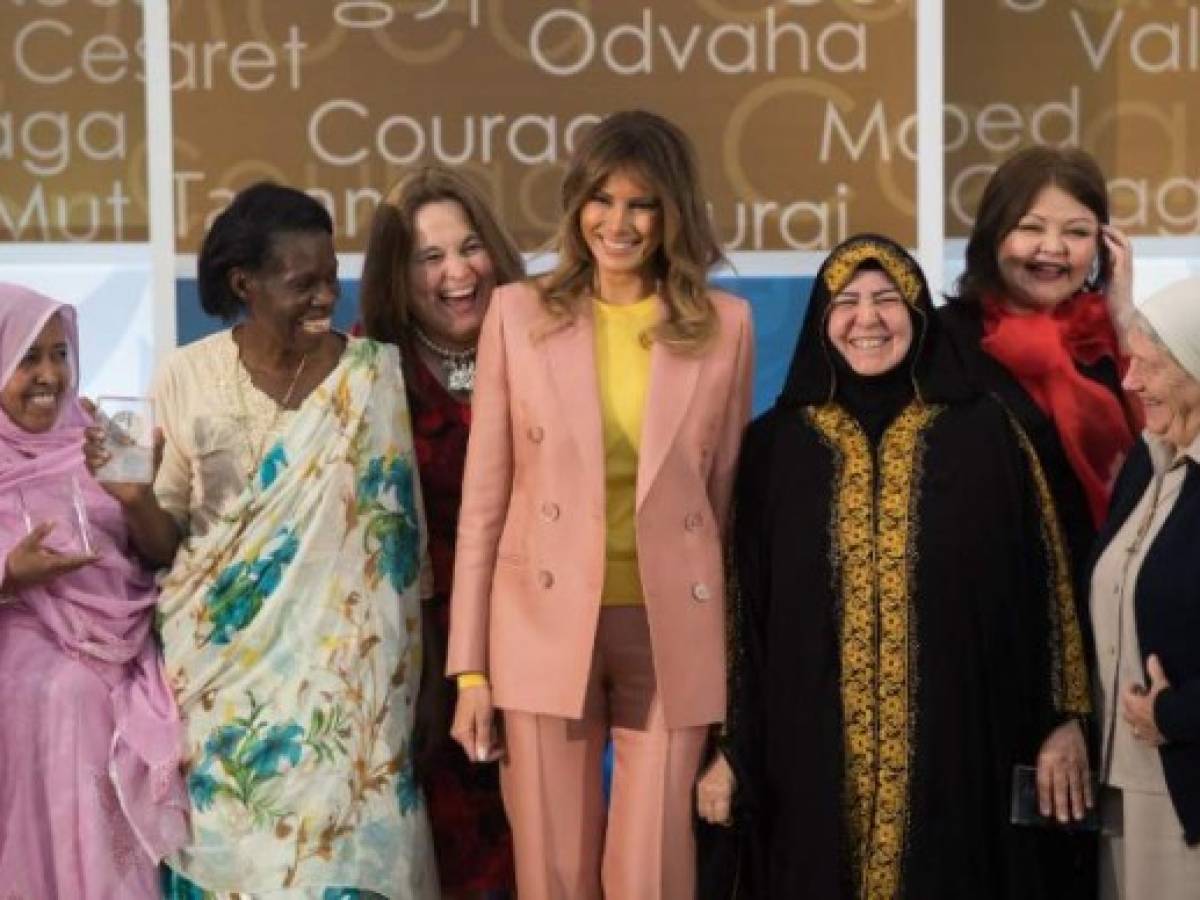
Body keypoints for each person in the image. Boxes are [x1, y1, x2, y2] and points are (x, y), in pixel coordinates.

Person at [85, 182, 439, 898]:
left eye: (330, 278)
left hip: (355, 696)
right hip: (224, 689)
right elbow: (167, 543)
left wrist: (427, 687)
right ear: (244, 283)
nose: (324, 299)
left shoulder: (375, 377)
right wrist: (132, 497)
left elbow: (404, 553)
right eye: (301, 283)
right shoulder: (186, 374)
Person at [445, 109, 755, 900]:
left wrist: (735, 682)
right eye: (602, 200)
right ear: (577, 203)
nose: (617, 223)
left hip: (669, 627)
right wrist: (470, 672)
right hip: (541, 625)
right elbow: (483, 505)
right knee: (551, 873)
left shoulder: (725, 326)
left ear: (672, 213)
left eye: (642, 204)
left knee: (654, 872)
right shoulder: (517, 313)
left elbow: (723, 509)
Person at [724, 234, 1092, 898]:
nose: (868, 319)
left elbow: (1047, 581)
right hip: (805, 758)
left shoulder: (986, 433)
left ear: (919, 314)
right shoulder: (775, 449)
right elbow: (739, 610)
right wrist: (729, 745)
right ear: (821, 318)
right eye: (848, 301)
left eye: (888, 299)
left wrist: (1065, 715)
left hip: (960, 753)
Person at [359, 165, 524, 898]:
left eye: (470, 248)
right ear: (399, 274)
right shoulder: (363, 369)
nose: (458, 273)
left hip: (533, 642)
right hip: (411, 663)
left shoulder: (545, 347)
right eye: (430, 258)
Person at [0, 283, 187, 898]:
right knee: (58, 690)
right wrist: (9, 577)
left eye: (61, 353)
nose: (49, 374)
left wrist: (135, 498)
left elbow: (161, 551)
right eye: (29, 357)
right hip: (24, 652)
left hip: (125, 643)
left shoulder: (103, 434)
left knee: (90, 693)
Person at [941, 147, 1141, 597]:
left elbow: (1167, 450)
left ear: (1103, 246)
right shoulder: (942, 341)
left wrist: (1125, 316)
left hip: (1108, 600)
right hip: (992, 602)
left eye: (1077, 232)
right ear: (994, 234)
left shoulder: (1113, 338)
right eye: (1031, 227)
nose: (1053, 249)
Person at [1088, 276, 1200, 899]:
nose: (1129, 382)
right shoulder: (1148, 457)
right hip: (1119, 790)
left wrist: (1173, 714)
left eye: (1150, 366)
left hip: (1183, 792)